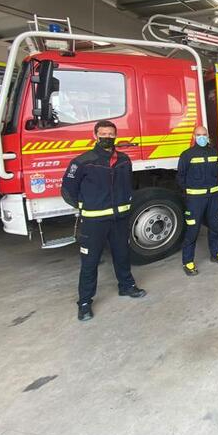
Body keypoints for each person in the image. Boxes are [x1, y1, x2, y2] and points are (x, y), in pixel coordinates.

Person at [61, 120, 146, 322]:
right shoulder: (82, 162)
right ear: (95, 135)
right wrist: (85, 206)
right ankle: (84, 303)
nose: (107, 137)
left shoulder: (124, 160)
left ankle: (126, 286)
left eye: (111, 134)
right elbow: (68, 191)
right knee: (90, 262)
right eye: (103, 133)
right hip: (94, 222)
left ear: (115, 136)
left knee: (122, 255)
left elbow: (129, 184)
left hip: (119, 219)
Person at [177, 125, 218, 276]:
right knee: (193, 230)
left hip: (213, 197)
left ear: (208, 136)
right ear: (193, 137)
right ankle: (188, 261)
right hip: (195, 199)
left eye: (204, 134)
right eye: (198, 135)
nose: (202, 137)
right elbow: (180, 177)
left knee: (215, 227)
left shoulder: (214, 153)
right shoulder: (186, 155)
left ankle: (216, 253)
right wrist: (188, 194)